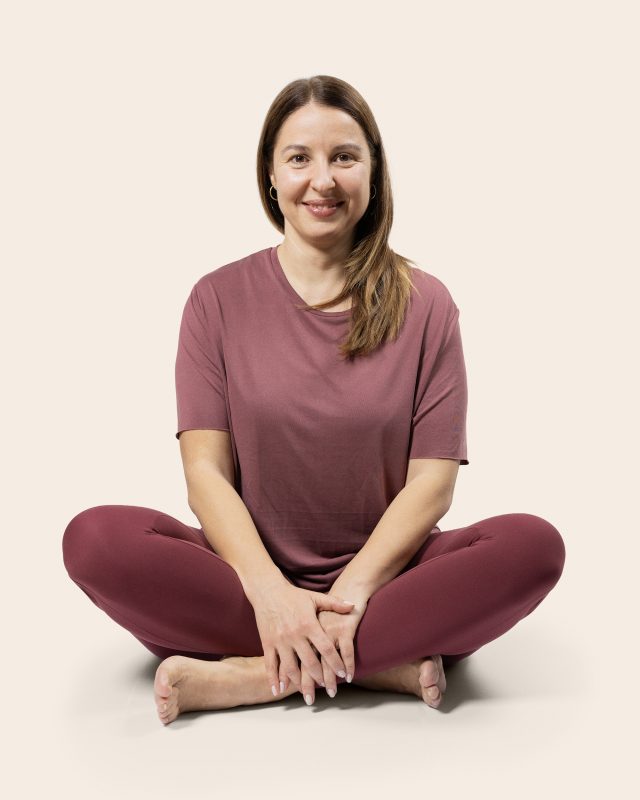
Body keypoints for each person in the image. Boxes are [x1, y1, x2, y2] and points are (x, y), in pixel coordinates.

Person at [61, 75, 566, 726]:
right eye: (299, 158)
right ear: (271, 177)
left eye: (344, 157)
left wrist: (353, 591)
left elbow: (432, 484)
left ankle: (252, 675)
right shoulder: (216, 299)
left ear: (373, 172)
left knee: (533, 547)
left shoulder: (427, 304)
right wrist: (272, 594)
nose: (322, 180)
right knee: (95, 540)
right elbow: (204, 473)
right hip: (246, 576)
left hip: (388, 581)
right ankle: (378, 665)